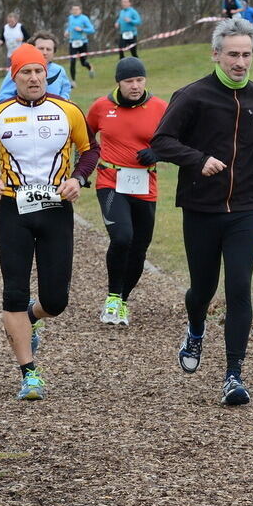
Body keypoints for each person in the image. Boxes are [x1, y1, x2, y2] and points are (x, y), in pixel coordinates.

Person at [150, 18, 253, 406]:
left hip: (244, 208)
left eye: (246, 54)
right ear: (216, 54)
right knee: (202, 288)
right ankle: (195, 327)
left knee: (239, 287)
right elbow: (161, 142)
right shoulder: (192, 96)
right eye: (233, 54)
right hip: (201, 207)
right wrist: (198, 159)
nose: (240, 62)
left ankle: (233, 374)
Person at [0, 43, 99, 401]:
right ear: (15, 76)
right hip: (13, 211)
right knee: (13, 292)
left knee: (56, 301)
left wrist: (79, 178)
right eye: (26, 72)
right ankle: (29, 373)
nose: (34, 77)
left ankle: (33, 316)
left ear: (46, 74)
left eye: (39, 71)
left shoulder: (67, 111)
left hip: (55, 210)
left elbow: (90, 150)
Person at [86, 57, 168, 325]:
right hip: (111, 181)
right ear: (119, 82)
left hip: (145, 184)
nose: (135, 86)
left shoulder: (159, 107)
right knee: (122, 237)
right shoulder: (101, 107)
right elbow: (84, 136)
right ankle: (111, 296)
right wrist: (82, 168)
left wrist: (157, 152)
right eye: (129, 81)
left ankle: (122, 300)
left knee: (139, 247)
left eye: (139, 80)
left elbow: (175, 142)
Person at [0, 31, 72, 102]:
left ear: (54, 52)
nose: (44, 52)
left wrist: (62, 102)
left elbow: (66, 89)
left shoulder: (59, 70)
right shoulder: (19, 70)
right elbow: (3, 97)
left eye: (48, 49)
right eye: (41, 48)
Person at [64, 4, 96, 81]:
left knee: (83, 62)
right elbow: (69, 27)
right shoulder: (70, 18)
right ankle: (73, 81)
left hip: (83, 42)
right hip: (72, 42)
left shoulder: (84, 18)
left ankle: (90, 67)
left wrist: (81, 29)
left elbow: (92, 30)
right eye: (73, 10)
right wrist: (66, 31)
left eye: (76, 9)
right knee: (72, 61)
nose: (75, 11)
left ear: (80, 10)